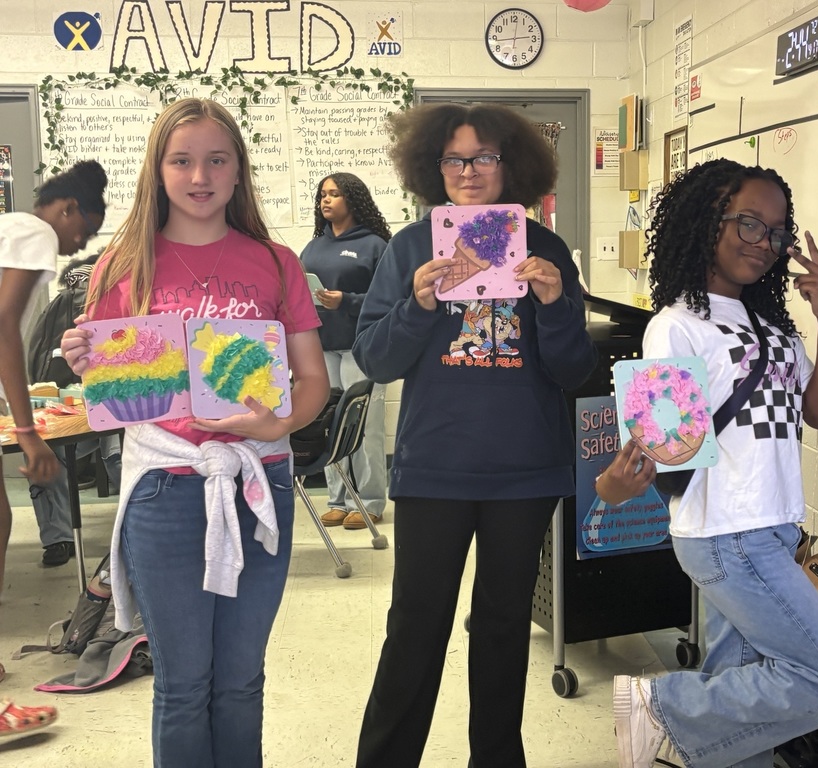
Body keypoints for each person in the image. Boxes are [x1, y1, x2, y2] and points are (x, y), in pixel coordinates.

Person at [60, 98, 329, 767]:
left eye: (217, 159)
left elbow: (313, 381)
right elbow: (113, 392)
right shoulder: (123, 265)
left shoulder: (274, 261)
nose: (199, 175)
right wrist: (87, 361)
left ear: (239, 171)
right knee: (181, 688)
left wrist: (282, 421)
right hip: (163, 492)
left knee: (240, 684)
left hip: (256, 481)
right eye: (182, 160)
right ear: (158, 170)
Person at [351, 102, 598, 767]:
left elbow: (577, 370)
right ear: (434, 166)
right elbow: (375, 359)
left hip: (524, 472)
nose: (468, 171)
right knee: (413, 629)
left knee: (503, 628)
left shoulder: (543, 248)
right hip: (435, 468)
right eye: (454, 159)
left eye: (483, 157)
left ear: (510, 164)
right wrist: (418, 304)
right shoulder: (409, 246)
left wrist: (553, 308)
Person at [602, 159, 818, 768]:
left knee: (745, 707)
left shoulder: (774, 327)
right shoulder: (675, 326)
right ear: (707, 222)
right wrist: (616, 480)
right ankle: (662, 707)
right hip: (727, 532)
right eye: (749, 224)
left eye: (776, 233)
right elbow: (662, 450)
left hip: (771, 527)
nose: (764, 244)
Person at [0, 159, 106, 735]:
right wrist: (26, 429)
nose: (75, 246)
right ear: (66, 211)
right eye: (82, 232)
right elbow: (3, 324)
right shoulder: (33, 230)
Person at [300, 172, 390, 530]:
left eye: (335, 194)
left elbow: (391, 299)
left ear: (353, 200)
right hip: (322, 347)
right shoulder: (312, 246)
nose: (326, 200)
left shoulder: (375, 245)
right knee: (328, 425)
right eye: (323, 194)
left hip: (362, 347)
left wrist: (347, 301)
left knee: (365, 427)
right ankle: (338, 499)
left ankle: (369, 501)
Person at [27, 252, 123, 567]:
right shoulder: (123, 302)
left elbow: (35, 365)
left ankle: (57, 540)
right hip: (105, 411)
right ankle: (138, 526)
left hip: (67, 412)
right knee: (116, 453)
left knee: (46, 456)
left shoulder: (55, 308)